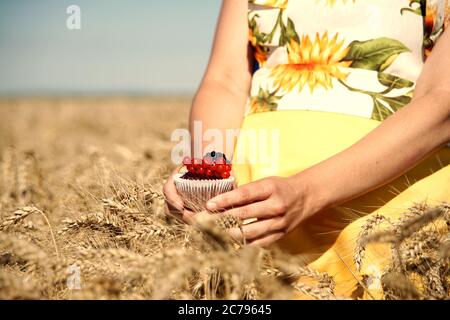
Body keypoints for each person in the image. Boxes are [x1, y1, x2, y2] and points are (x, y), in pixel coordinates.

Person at [164, 0, 450, 298]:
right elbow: (226, 81)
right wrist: (208, 173)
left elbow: (442, 99)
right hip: (254, 205)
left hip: (384, 207)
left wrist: (306, 192)